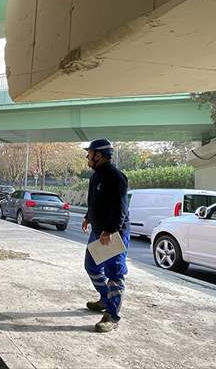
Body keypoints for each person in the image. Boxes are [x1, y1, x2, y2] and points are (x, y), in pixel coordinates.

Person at [81, 138, 131, 333]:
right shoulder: (96, 176)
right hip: (98, 230)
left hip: (112, 232)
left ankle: (112, 315)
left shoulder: (115, 177)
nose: (87, 155)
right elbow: (95, 201)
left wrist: (110, 231)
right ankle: (105, 297)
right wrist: (88, 216)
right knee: (91, 266)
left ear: (99, 155)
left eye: (90, 152)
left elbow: (120, 208)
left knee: (115, 274)